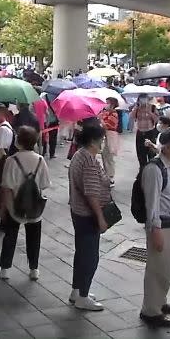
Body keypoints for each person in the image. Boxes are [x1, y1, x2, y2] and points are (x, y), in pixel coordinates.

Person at [140, 128, 170, 328]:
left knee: (167, 267)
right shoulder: (154, 169)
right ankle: (150, 311)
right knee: (157, 269)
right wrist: (156, 230)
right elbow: (152, 204)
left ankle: (160, 301)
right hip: (161, 226)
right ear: (168, 147)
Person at [0, 126, 50, 281]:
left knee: (10, 236)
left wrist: (4, 207)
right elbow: (44, 184)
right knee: (34, 238)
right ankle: (34, 269)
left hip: (14, 205)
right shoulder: (40, 160)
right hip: (34, 207)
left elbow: (6, 187)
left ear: (18, 141)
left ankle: (5, 268)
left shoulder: (11, 161)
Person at [67, 124, 110, 311]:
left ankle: (77, 290)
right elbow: (92, 193)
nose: (103, 142)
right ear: (94, 140)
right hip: (87, 215)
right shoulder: (90, 161)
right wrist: (100, 218)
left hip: (77, 211)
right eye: (102, 139)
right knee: (90, 256)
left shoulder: (79, 154)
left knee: (81, 253)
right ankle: (83, 296)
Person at [132, 94, 159, 167]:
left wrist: (149, 112)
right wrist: (136, 108)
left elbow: (157, 119)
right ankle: (142, 172)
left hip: (150, 132)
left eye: (144, 98)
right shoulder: (137, 108)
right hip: (140, 132)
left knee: (151, 154)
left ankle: (151, 170)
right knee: (141, 156)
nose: (143, 100)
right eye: (141, 99)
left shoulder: (152, 107)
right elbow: (132, 117)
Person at [98, 97, 119, 184]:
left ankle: (110, 177)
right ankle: (106, 174)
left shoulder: (114, 114)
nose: (105, 105)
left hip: (110, 136)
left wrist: (101, 120)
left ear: (112, 104)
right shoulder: (105, 112)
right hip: (104, 135)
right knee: (104, 155)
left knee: (109, 157)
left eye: (107, 103)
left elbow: (108, 125)